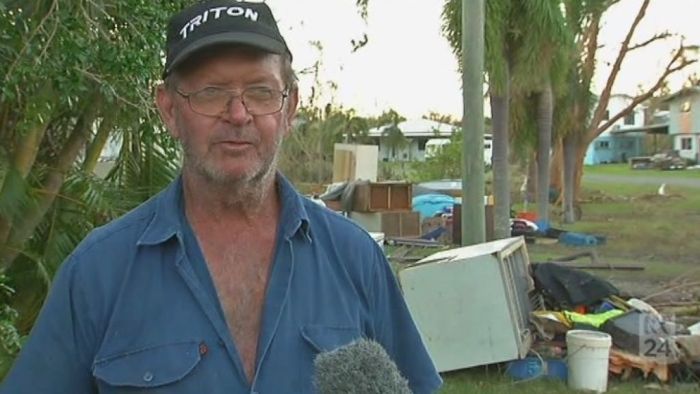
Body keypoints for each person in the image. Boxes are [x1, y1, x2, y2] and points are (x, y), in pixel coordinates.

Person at [1, 1, 442, 393]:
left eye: (260, 92)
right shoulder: (97, 272)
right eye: (212, 93)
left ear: (288, 109)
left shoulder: (355, 259)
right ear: (169, 109)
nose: (237, 114)